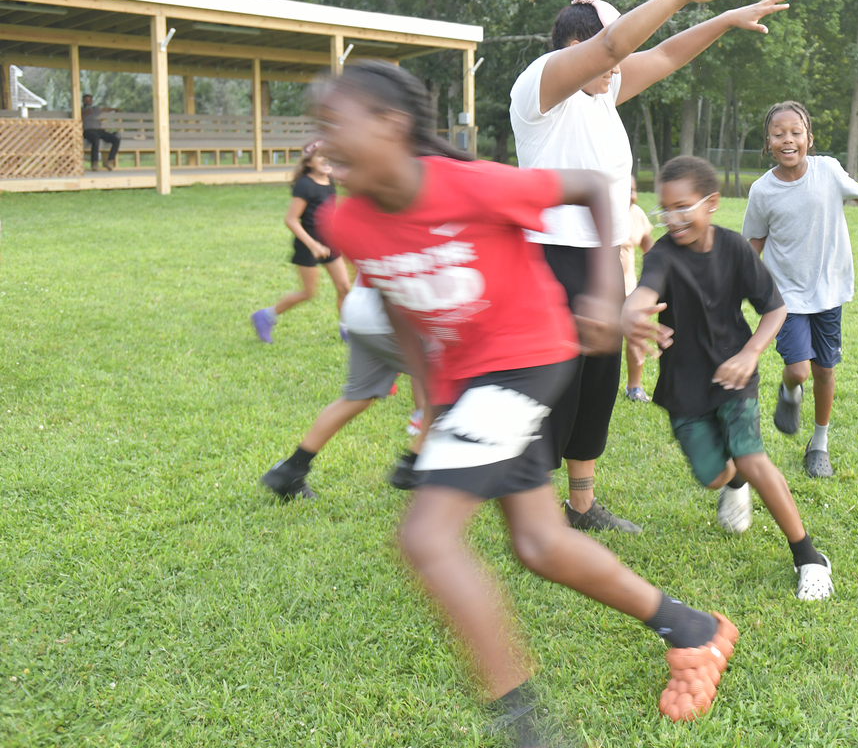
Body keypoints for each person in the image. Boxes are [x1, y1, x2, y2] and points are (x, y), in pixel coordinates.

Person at [314, 59, 738, 734]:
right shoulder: (350, 223)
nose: (321, 143)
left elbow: (594, 190)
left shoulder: (470, 185)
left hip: (528, 354)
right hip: (469, 383)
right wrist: (429, 401)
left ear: (391, 126)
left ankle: (526, 727)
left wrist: (603, 290)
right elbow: (396, 299)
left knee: (426, 536)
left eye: (335, 124)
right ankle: (692, 630)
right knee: (539, 544)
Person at [511, 0, 791, 534]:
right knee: (554, 386)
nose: (618, 66)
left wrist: (725, 21)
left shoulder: (601, 93)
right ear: (576, 50)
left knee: (596, 388)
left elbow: (663, 54)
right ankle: (535, 517)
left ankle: (582, 507)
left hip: (602, 261)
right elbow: (615, 46)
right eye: (606, 54)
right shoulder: (541, 89)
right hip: (551, 262)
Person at [623, 156, 833, 601]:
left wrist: (751, 353)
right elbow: (641, 294)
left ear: (712, 202)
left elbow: (775, 309)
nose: (673, 219)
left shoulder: (736, 249)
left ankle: (809, 558)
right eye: (665, 209)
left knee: (753, 457)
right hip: (684, 388)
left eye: (683, 207)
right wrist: (632, 315)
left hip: (736, 377)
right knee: (716, 475)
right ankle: (733, 485)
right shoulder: (662, 254)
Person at [741, 101, 858, 478]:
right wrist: (733, 287)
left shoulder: (828, 170)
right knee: (800, 370)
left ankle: (819, 443)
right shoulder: (762, 191)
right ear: (768, 142)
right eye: (778, 134)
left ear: (809, 137)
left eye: (795, 132)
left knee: (825, 370)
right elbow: (753, 244)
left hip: (829, 291)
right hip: (785, 294)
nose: (787, 140)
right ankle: (790, 390)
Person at [258, 282, 429, 499]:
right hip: (400, 309)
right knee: (452, 386)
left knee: (358, 396)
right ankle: (415, 465)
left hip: (360, 310)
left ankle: (291, 469)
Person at [250, 144, 353, 343]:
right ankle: (265, 316)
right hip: (307, 244)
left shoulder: (329, 180)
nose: (326, 160)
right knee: (308, 292)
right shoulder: (305, 185)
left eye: (329, 155)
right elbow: (290, 219)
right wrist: (313, 245)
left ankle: (347, 330)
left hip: (328, 241)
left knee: (344, 288)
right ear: (309, 161)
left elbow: (328, 204)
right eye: (320, 156)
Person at [621, 175, 655, 403]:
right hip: (602, 291)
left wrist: (653, 278)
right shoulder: (599, 211)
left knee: (636, 337)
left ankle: (634, 386)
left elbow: (647, 245)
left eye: (633, 190)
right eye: (625, 190)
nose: (631, 195)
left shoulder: (636, 214)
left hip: (630, 290)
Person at [80, 94, 121, 171]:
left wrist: (113, 109)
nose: (88, 102)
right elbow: (77, 119)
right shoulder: (80, 110)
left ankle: (109, 161)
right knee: (95, 139)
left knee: (115, 139)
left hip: (99, 130)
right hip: (88, 130)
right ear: (83, 101)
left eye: (90, 100)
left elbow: (104, 109)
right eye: (86, 100)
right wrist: (85, 114)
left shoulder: (95, 109)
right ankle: (94, 163)